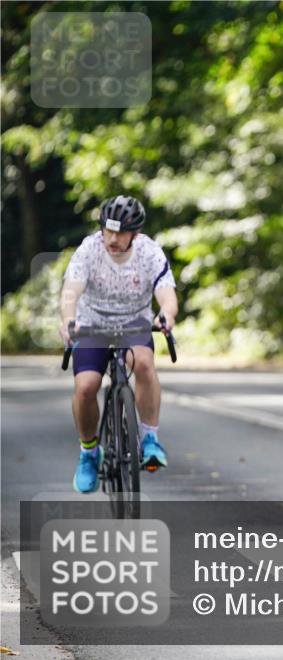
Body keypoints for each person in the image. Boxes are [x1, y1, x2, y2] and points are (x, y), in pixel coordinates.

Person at [59, 195, 178, 493]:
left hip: (133, 324)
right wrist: (69, 319)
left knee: (145, 364)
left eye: (121, 232)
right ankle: (89, 453)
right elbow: (70, 292)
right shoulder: (89, 250)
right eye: (108, 231)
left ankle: (149, 438)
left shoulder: (149, 252)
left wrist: (167, 314)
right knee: (86, 386)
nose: (112, 238)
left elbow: (166, 292)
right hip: (92, 325)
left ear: (134, 234)